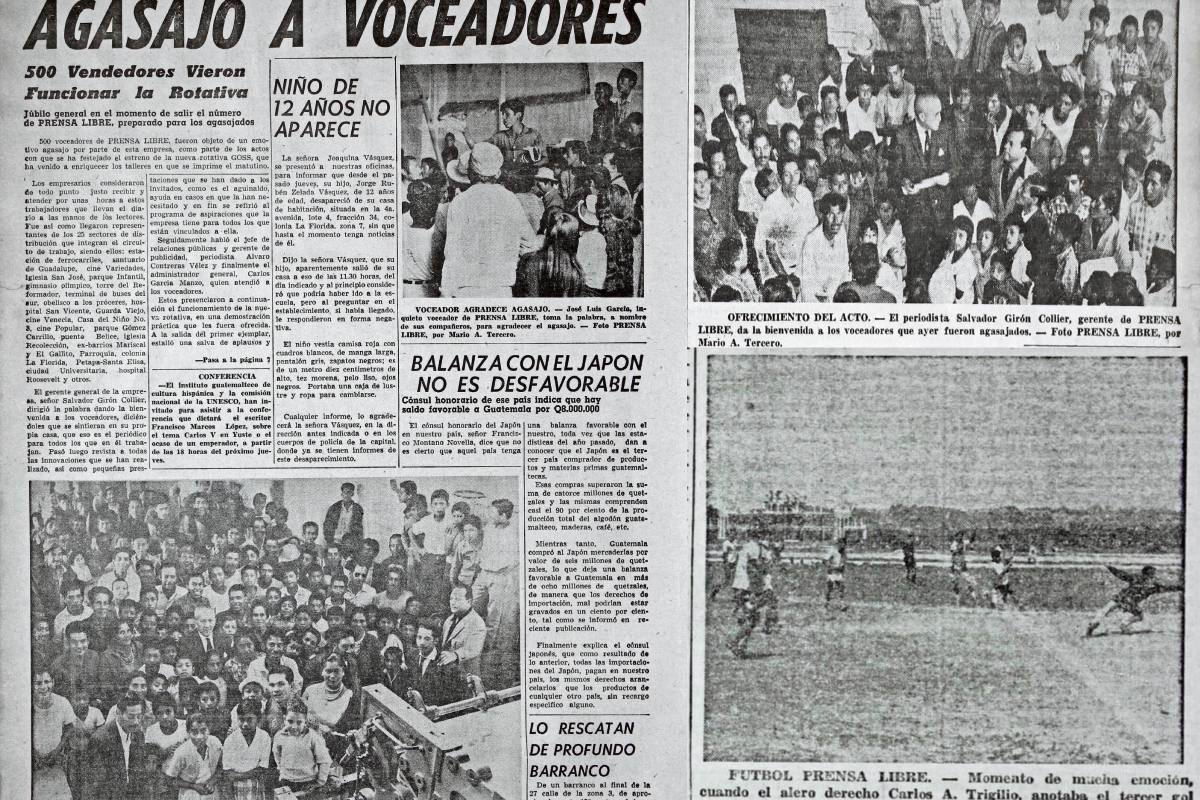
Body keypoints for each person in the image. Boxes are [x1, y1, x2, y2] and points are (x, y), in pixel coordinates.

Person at [755, 153, 818, 281]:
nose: (793, 179)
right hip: (781, 270)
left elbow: (813, 233)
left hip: (805, 265)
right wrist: (787, 280)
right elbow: (770, 251)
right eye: (787, 175)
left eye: (796, 173)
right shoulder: (771, 204)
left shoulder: (805, 195)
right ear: (779, 178)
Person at [1086, 565, 1182, 636]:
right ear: (1151, 574)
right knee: (1139, 616)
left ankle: (1094, 622)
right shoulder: (1154, 586)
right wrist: (1180, 587)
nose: (1154, 576)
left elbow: (1121, 574)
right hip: (1130, 602)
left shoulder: (1135, 578)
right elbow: (1167, 588)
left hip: (1120, 597)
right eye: (1153, 574)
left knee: (1105, 610)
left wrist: (1110, 567)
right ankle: (1124, 625)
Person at [87, 693, 146, 800]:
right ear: (118, 713)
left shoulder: (138, 734)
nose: (136, 722)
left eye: (139, 716)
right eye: (131, 717)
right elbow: (98, 784)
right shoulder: (100, 739)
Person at [272, 698, 331, 793]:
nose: (294, 726)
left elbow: (324, 760)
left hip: (308, 781)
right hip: (287, 780)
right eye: (290, 721)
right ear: (284, 719)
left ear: (305, 722)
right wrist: (281, 770)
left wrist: (320, 781)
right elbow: (277, 754)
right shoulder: (279, 736)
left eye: (299, 722)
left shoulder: (312, 737)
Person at [33, 668, 76, 800]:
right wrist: (32, 753)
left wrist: (57, 750)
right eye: (38, 683)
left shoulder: (62, 702)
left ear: (53, 682)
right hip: (32, 762)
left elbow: (70, 726)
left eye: (47, 682)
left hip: (55, 761)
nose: (43, 687)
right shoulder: (26, 704)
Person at [221, 701, 271, 800]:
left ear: (257, 719)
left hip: (256, 784)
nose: (245, 724)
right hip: (236, 786)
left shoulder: (264, 737)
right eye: (241, 720)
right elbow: (228, 773)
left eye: (249, 720)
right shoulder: (230, 740)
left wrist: (239, 775)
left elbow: (262, 768)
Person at [929, 216, 978, 303]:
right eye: (954, 234)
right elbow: (940, 270)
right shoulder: (952, 253)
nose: (956, 240)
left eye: (960, 236)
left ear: (968, 239)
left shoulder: (969, 262)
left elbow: (958, 295)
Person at [440, 584, 487, 676]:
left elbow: (474, 649)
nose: (453, 602)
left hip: (466, 675)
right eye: (451, 598)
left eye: (457, 599)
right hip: (448, 673)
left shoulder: (477, 622)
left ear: (469, 601)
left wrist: (455, 655)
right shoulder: (449, 620)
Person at [322, 483, 363, 550]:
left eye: (349, 492)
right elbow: (327, 526)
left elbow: (359, 529)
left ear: (352, 494)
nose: (346, 495)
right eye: (345, 492)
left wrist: (356, 543)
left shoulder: (358, 509)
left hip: (350, 545)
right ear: (342, 494)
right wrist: (330, 542)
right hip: (335, 542)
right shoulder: (334, 508)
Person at [949, 532, 980, 604]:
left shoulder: (963, 542)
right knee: (956, 583)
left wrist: (973, 535)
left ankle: (973, 598)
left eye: (961, 536)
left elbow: (970, 541)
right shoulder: (954, 544)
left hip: (962, 565)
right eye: (958, 536)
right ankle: (957, 600)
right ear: (956, 537)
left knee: (968, 582)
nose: (960, 538)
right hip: (956, 566)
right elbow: (954, 552)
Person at [825, 535, 848, 610]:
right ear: (838, 544)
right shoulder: (833, 551)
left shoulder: (843, 553)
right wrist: (831, 566)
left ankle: (842, 604)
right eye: (841, 543)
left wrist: (842, 567)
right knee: (830, 589)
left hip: (838, 573)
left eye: (844, 544)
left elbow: (843, 562)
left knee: (841, 588)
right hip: (832, 572)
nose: (842, 545)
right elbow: (825, 560)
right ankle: (827, 603)